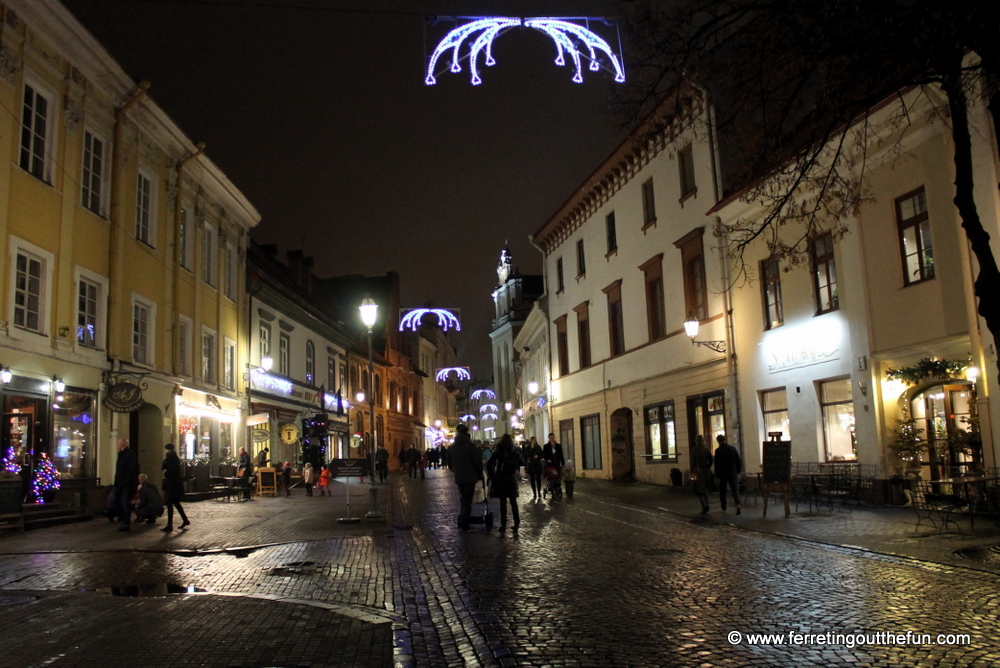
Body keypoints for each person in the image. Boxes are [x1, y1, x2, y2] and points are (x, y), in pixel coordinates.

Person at [486, 433, 524, 534]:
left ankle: (503, 525)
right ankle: (516, 523)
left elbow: (489, 463)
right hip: (511, 479)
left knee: (503, 503)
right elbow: (522, 462)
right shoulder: (514, 452)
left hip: (501, 478)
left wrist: (492, 475)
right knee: (513, 502)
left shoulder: (498, 452)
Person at [448, 424, 483, 532]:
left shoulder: (452, 447)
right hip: (470, 477)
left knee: (463, 499)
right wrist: (480, 474)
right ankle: (465, 526)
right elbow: (477, 462)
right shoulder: (471, 446)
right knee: (467, 502)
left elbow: (450, 464)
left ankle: (464, 522)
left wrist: (456, 470)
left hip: (459, 478)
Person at [161, 443, 190, 532]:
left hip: (172, 485)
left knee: (170, 503)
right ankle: (185, 520)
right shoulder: (175, 457)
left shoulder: (169, 458)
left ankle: (170, 525)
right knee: (176, 503)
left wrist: (165, 473)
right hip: (176, 485)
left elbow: (169, 471)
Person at [714, 433, 743, 515]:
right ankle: (738, 504)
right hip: (732, 472)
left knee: (722, 491)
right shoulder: (732, 449)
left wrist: (717, 476)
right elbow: (738, 461)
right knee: (735, 490)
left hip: (723, 474)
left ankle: (723, 507)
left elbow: (717, 464)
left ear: (718, 441)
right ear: (725, 440)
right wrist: (737, 471)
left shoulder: (718, 451)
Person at [113, 437, 138, 531]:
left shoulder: (129, 455)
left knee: (125, 503)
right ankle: (123, 519)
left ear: (123, 444)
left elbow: (131, 469)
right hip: (120, 483)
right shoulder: (121, 455)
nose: (117, 445)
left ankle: (126, 522)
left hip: (126, 484)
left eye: (118, 443)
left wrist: (126, 480)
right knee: (118, 502)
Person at [691, 435, 714, 514]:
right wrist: (707, 467)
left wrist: (692, 472)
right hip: (706, 471)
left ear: (696, 441)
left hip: (697, 471)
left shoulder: (695, 449)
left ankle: (704, 506)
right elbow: (711, 460)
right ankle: (707, 504)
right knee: (705, 489)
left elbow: (693, 461)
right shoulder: (706, 449)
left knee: (698, 490)